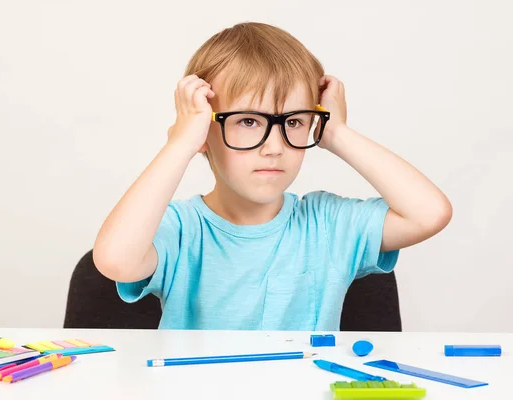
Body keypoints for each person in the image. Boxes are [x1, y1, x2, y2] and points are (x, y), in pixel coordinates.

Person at [92, 22, 452, 330]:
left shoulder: (328, 224)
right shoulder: (182, 229)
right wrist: (181, 143)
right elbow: (115, 260)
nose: (275, 146)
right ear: (203, 132)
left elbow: (429, 214)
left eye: (293, 121)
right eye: (249, 121)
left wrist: (338, 134)